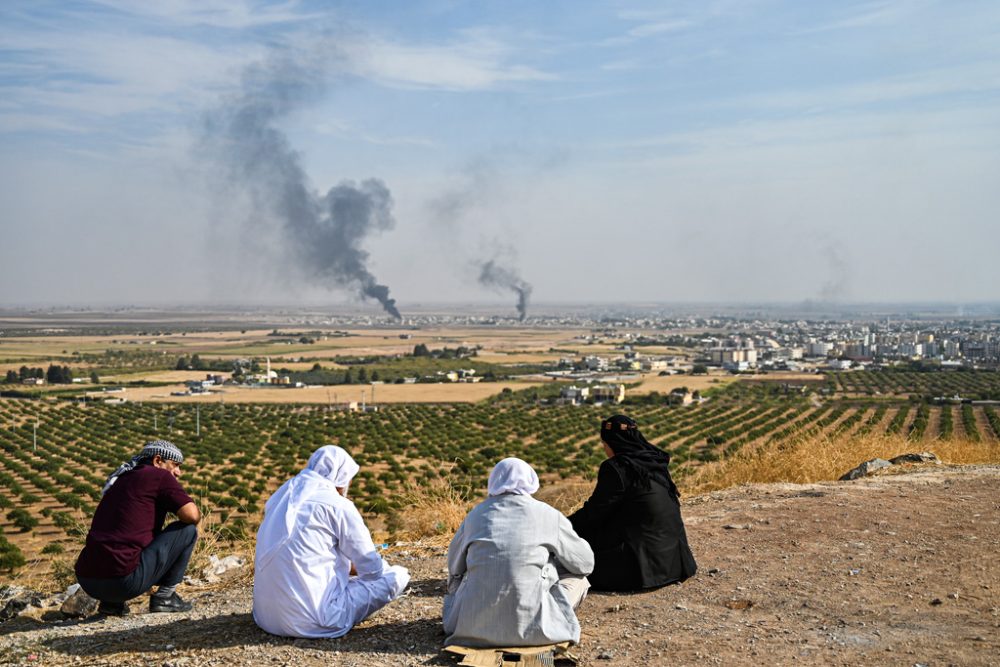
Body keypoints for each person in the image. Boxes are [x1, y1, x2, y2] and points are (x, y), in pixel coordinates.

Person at [253, 445, 409, 638]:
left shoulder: (280, 497)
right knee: (398, 575)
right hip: (316, 621)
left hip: (266, 619)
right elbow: (372, 572)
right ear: (342, 477)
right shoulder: (337, 505)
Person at [444, 457, 594, 647]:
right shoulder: (548, 514)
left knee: (461, 579)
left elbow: (454, 568)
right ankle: (551, 619)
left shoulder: (475, 515)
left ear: (493, 483)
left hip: (469, 628)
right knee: (580, 579)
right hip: (538, 631)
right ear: (532, 482)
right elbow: (585, 563)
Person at [569, 415, 697, 591]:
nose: (604, 447)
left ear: (610, 442)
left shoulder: (617, 468)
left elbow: (594, 512)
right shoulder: (654, 460)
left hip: (642, 569)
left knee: (577, 549)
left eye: (604, 443)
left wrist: (562, 526)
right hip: (676, 562)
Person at [75, 440, 200, 616]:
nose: (178, 472)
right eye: (175, 465)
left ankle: (111, 605)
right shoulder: (159, 476)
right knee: (186, 530)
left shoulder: (120, 478)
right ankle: (165, 597)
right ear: (158, 461)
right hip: (124, 582)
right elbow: (192, 515)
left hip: (88, 580)